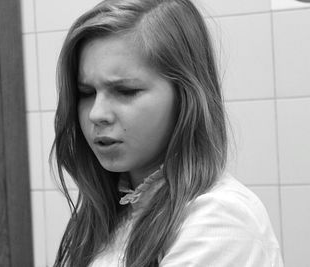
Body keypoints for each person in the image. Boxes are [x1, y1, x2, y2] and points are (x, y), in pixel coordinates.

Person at [50, 0, 284, 266]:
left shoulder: (219, 221)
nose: (96, 114)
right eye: (86, 93)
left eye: (125, 91)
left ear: (186, 97)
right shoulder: (114, 213)